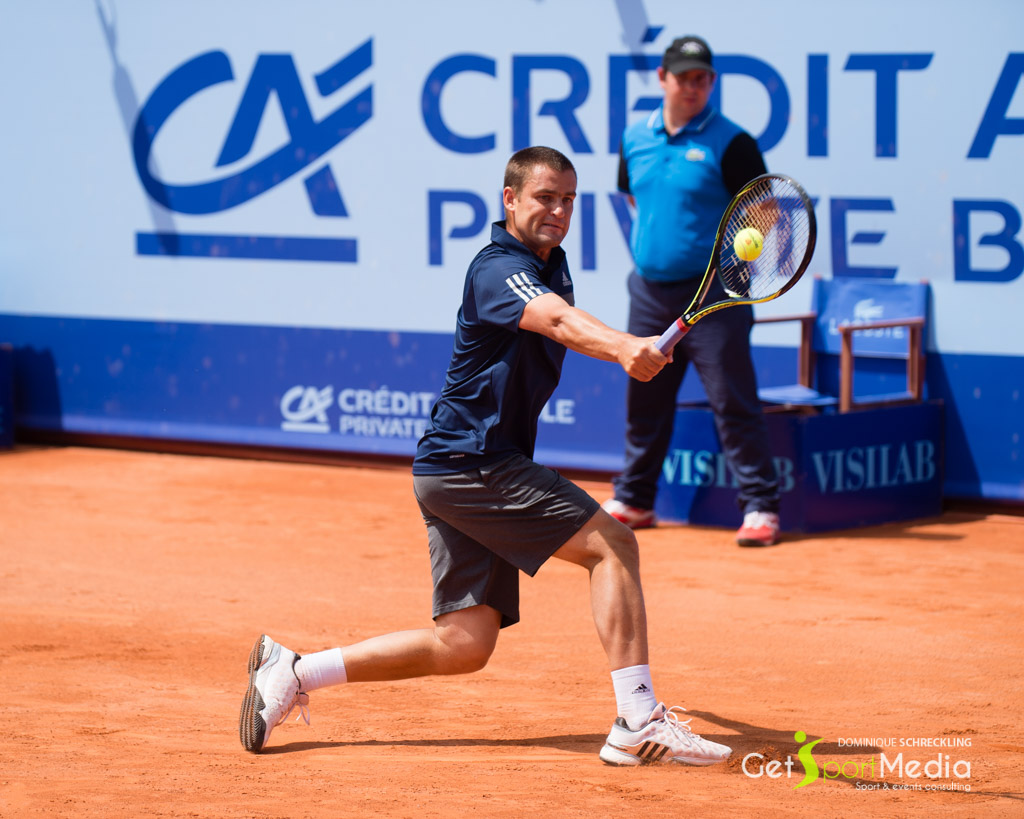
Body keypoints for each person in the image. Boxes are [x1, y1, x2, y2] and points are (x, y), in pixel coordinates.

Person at [239, 146, 732, 767]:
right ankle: (637, 717)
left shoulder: (552, 264)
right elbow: (556, 321)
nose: (558, 211)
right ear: (510, 200)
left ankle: (295, 672)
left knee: (464, 645)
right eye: (544, 197)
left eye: (569, 200)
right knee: (614, 544)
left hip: (458, 466)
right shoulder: (498, 268)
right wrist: (625, 346)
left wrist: (621, 347)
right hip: (473, 461)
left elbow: (560, 316)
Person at [602, 35, 782, 548]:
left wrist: (727, 263)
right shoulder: (635, 136)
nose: (693, 86)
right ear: (663, 78)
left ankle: (761, 508)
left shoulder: (734, 142)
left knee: (732, 401)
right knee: (646, 398)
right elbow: (635, 197)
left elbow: (765, 209)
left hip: (715, 296)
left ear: (712, 83)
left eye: (702, 78)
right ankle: (635, 499)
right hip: (650, 292)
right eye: (684, 77)